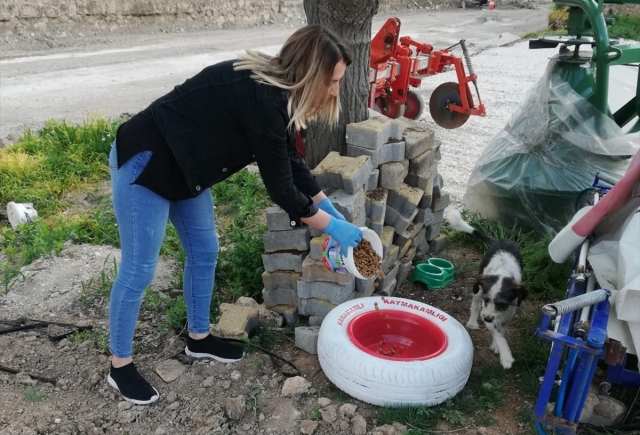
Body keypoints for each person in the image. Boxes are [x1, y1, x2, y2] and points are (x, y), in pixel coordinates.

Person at [107, 24, 362, 405]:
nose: (334, 91)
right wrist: (333, 229)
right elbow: (282, 189)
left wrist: (328, 209)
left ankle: (198, 338)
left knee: (205, 251)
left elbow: (290, 161)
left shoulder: (279, 97)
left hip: (186, 169)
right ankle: (120, 366)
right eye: (333, 81)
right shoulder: (262, 98)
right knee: (140, 267)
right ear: (310, 73)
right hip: (147, 162)